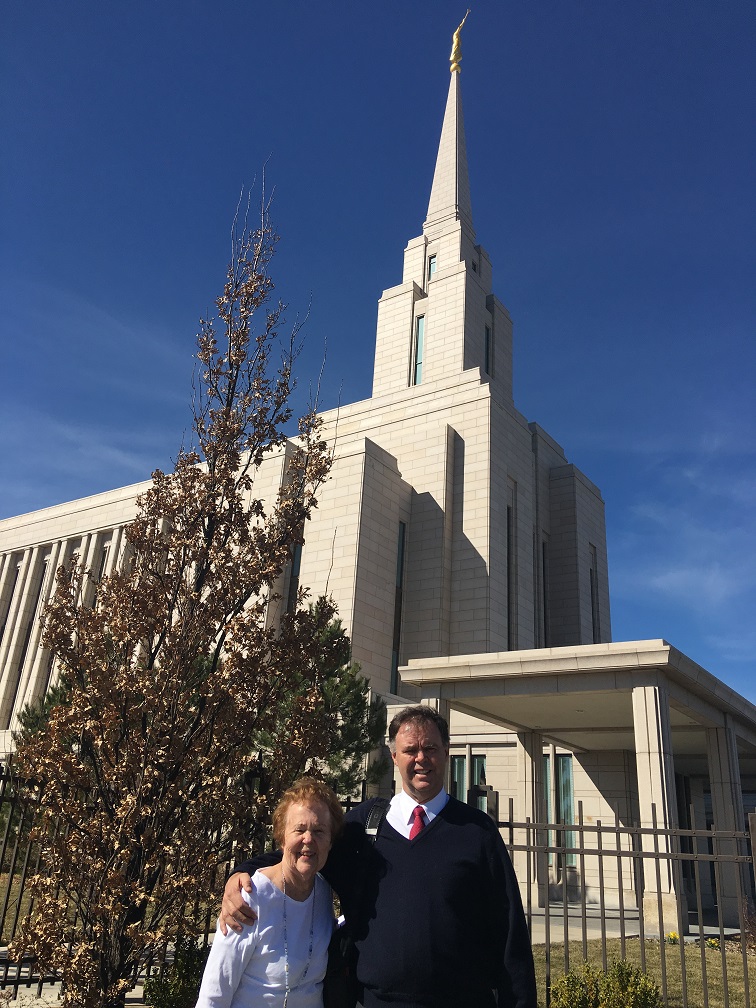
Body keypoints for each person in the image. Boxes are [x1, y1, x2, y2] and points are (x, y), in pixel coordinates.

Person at [222, 706, 537, 1008]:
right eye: (410, 750)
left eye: (430, 748)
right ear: (395, 757)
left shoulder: (476, 831)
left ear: (446, 753)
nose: (421, 758)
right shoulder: (363, 826)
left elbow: (509, 934)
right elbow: (299, 854)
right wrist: (240, 875)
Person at [198, 777, 344, 1008]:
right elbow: (214, 994)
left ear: (330, 842)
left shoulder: (324, 892)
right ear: (282, 837)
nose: (309, 839)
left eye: (319, 831)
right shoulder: (250, 897)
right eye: (299, 829)